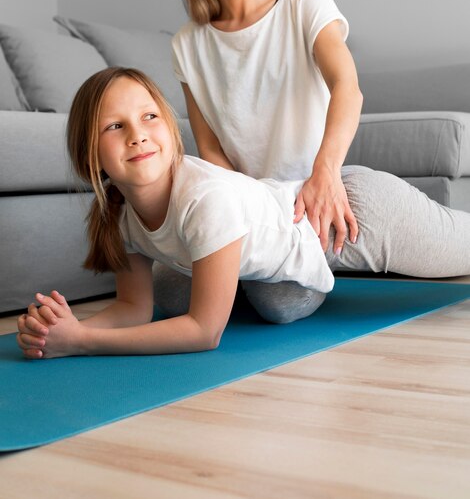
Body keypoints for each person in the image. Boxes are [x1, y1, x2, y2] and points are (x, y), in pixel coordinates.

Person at [16, 68, 470, 360]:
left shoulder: (204, 198)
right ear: (90, 154)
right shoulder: (115, 212)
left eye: (150, 117)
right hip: (285, 239)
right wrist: (62, 330)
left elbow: (203, 332)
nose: (138, 135)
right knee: (179, 296)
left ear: (172, 132)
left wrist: (83, 342)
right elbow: (135, 308)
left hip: (357, 213)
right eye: (115, 126)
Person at [169, 0, 363, 255]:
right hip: (250, 207)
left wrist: (325, 172)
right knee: (171, 285)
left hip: (314, 189)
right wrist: (250, 211)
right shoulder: (187, 44)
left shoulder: (304, 1)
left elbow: (347, 87)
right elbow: (210, 148)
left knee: (279, 304)